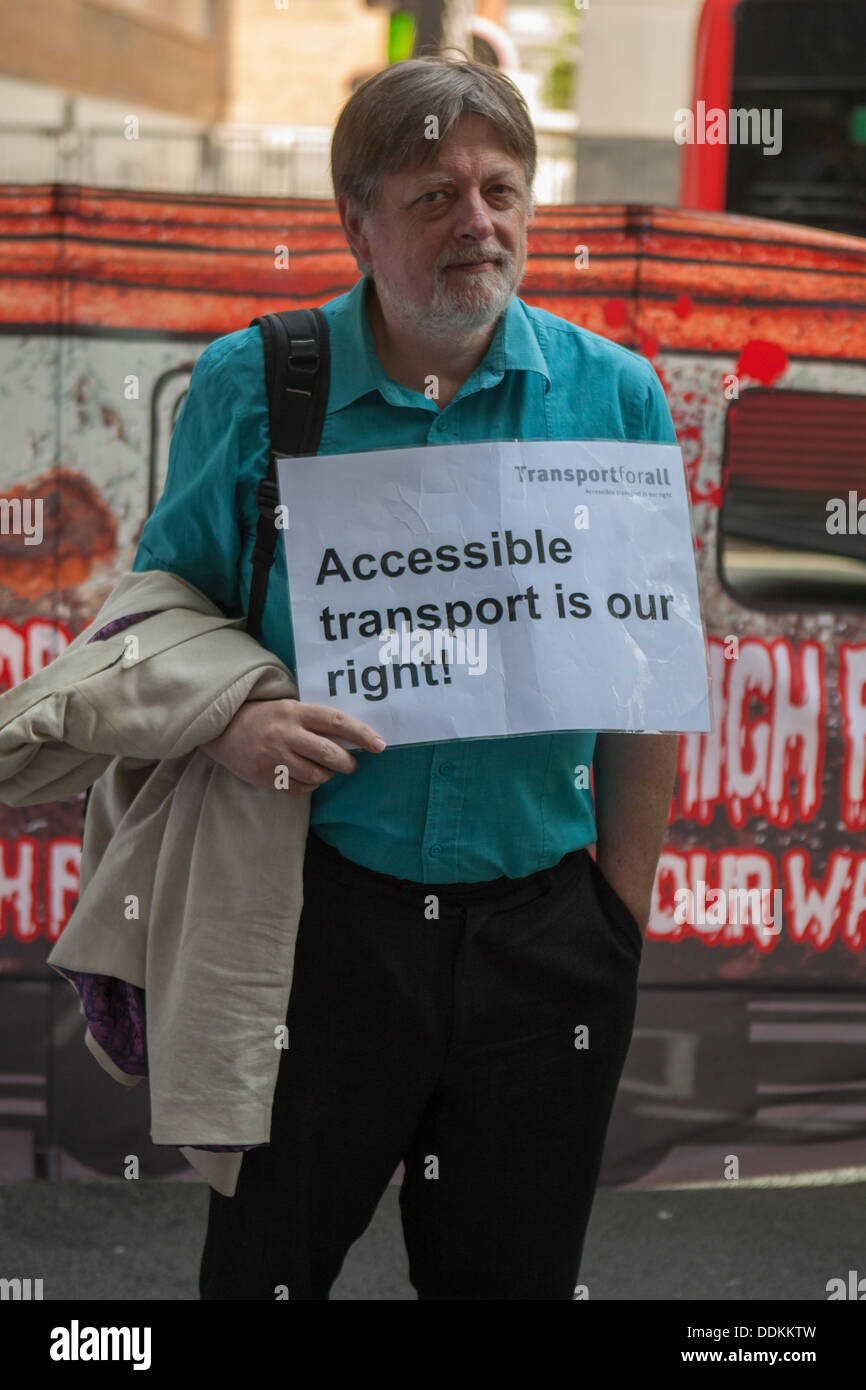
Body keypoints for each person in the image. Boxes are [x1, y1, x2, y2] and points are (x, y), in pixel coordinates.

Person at [132, 52, 680, 1300]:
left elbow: (648, 672)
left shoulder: (614, 398)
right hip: (315, 917)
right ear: (356, 220)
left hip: (549, 930)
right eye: (433, 196)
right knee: (264, 1271)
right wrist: (232, 720)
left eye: (500, 189)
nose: (476, 222)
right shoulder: (258, 383)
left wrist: (616, 912)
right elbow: (157, 614)